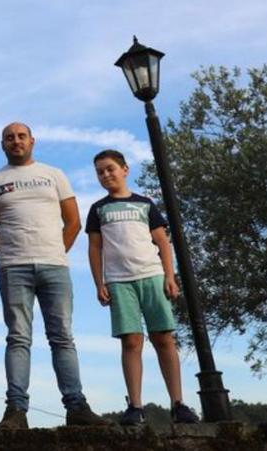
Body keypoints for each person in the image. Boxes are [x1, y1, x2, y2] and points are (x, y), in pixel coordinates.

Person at [0, 123, 106, 430]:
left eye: (21, 136)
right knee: (18, 337)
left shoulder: (54, 174)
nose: (16, 141)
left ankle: (76, 407)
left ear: (32, 141)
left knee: (62, 336)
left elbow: (73, 222)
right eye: (10, 137)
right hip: (13, 268)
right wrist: (10, 255)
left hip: (54, 267)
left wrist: (56, 253)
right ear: (2, 144)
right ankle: (16, 411)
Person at [86, 149, 200, 426]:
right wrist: (99, 282)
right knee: (131, 341)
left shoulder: (145, 204)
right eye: (100, 171)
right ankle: (135, 406)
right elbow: (95, 247)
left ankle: (178, 403)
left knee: (164, 338)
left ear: (125, 169)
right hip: (119, 281)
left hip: (151, 275)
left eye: (110, 168)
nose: (105, 175)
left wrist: (169, 276)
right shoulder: (98, 209)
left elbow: (162, 242)